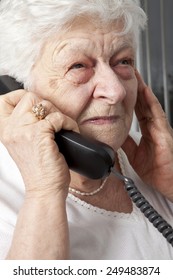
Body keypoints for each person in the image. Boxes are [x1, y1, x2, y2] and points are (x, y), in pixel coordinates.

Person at [0, 0, 173, 260]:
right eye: (78, 66)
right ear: (22, 89)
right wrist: (44, 193)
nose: (115, 91)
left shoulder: (156, 160)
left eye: (123, 61)